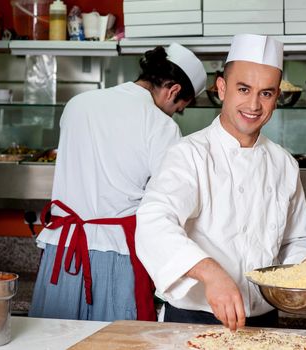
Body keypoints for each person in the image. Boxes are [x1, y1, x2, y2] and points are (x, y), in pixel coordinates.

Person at [135, 34, 306, 331]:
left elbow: (295, 240)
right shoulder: (188, 155)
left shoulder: (284, 163)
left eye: (266, 93)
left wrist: (305, 268)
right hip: (194, 321)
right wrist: (210, 273)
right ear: (222, 87)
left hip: (266, 321)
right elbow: (154, 222)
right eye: (243, 89)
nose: (254, 105)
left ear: (277, 97)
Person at [29, 43, 207, 322]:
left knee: (54, 339)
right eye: (178, 108)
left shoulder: (79, 103)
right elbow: (168, 204)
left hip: (61, 251)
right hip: (117, 256)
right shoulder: (161, 126)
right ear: (173, 91)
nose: (173, 114)